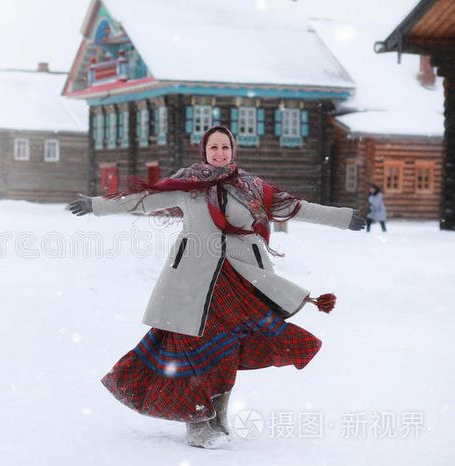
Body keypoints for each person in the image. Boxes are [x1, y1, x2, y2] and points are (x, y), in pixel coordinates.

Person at [68, 125, 366, 449]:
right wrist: (96, 205)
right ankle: (197, 423)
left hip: (238, 281)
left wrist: (344, 217)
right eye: (214, 147)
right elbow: (142, 200)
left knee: (225, 350)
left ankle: (218, 416)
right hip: (192, 283)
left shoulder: (253, 189)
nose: (220, 152)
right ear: (204, 151)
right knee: (194, 351)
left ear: (233, 151)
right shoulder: (189, 185)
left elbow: (298, 208)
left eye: (225, 147)